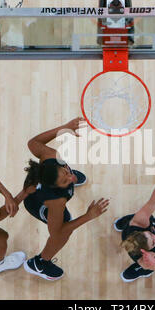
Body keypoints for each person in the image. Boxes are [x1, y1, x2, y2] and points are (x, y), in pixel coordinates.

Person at [22, 117, 110, 281]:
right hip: (38, 205)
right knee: (63, 232)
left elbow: (32, 142)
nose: (70, 177)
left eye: (66, 172)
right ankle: (40, 263)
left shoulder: (50, 156)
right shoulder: (56, 201)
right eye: (65, 181)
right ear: (55, 188)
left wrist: (65, 128)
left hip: (43, 186)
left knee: (66, 177)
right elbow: (57, 233)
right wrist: (88, 216)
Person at [113, 174, 155, 282]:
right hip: (149, 260)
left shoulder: (138, 223)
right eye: (153, 243)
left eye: (150, 234)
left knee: (139, 218)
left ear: (141, 231)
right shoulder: (145, 258)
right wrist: (153, 262)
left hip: (132, 226)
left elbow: (153, 202)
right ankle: (140, 270)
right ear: (145, 251)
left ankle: (121, 223)